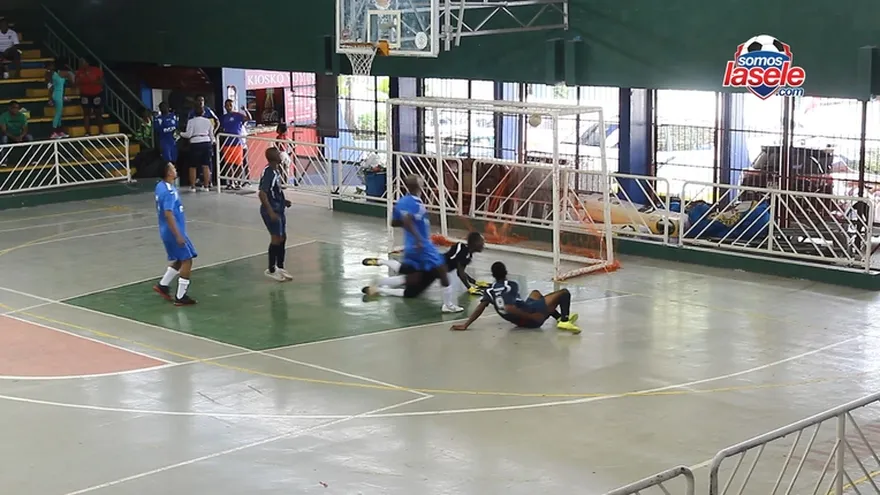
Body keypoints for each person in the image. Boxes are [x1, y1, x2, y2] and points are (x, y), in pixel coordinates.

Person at [361, 175, 453, 310]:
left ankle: (381, 279)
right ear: (419, 185)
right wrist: (418, 237)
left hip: (410, 245)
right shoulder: (414, 203)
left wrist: (414, 223)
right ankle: (448, 305)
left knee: (411, 276)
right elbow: (407, 220)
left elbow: (394, 222)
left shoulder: (402, 201)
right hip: (422, 245)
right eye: (421, 181)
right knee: (441, 270)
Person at [362, 231, 487, 313]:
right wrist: (469, 287)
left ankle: (378, 286)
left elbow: (461, 272)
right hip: (432, 265)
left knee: (409, 288)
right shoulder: (462, 249)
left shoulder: (467, 255)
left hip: (434, 271)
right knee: (405, 272)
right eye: (482, 242)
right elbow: (459, 270)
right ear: (475, 243)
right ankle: (448, 305)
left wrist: (474, 282)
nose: (483, 245)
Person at [451, 261, 581, 333]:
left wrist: (466, 324)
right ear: (506, 273)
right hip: (532, 316)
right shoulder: (511, 285)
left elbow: (480, 307)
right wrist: (533, 316)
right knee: (564, 293)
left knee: (535, 293)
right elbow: (510, 307)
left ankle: (558, 317)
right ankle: (564, 321)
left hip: (520, 320)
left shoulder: (490, 291)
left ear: (493, 275)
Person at [152, 163, 198, 306]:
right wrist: (178, 235)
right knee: (187, 260)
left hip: (169, 230)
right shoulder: (169, 192)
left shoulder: (160, 186)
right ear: (168, 173)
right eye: (172, 168)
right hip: (174, 231)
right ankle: (181, 296)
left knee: (180, 259)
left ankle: (163, 285)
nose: (175, 169)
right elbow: (168, 213)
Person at [259, 147, 293, 281]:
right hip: (271, 210)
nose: (281, 155)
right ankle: (271, 269)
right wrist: (270, 211)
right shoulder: (269, 173)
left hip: (279, 208)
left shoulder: (276, 171)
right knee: (276, 238)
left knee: (283, 237)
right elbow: (262, 193)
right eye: (278, 154)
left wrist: (284, 201)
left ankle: (280, 266)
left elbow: (275, 190)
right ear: (273, 157)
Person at [179, 105, 214, 192]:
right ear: (203, 112)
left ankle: (193, 187)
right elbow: (211, 135)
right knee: (206, 165)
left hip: (195, 143)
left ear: (194, 112)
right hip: (206, 142)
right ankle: (206, 186)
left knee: (193, 166)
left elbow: (188, 134)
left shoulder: (191, 121)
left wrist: (180, 133)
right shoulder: (208, 121)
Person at [218, 99, 251, 189]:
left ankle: (238, 182)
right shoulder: (223, 117)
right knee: (228, 164)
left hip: (237, 143)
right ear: (224, 106)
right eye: (227, 105)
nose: (229, 107)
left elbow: (249, 118)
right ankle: (230, 182)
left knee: (238, 164)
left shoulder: (238, 115)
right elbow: (220, 127)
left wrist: (245, 110)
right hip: (227, 143)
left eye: (230, 105)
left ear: (233, 106)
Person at [45, 60, 74, 139]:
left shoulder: (58, 73)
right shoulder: (53, 74)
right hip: (57, 95)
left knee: (60, 114)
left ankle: (59, 131)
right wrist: (50, 98)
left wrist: (63, 96)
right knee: (58, 114)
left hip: (59, 95)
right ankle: (53, 132)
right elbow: (51, 87)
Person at [75, 58, 104, 135]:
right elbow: (76, 82)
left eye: (83, 62)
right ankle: (87, 132)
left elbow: (101, 81)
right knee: (86, 113)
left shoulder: (96, 70)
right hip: (85, 94)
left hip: (96, 93)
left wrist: (91, 79)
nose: (81, 63)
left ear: (87, 63)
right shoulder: (79, 72)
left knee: (98, 113)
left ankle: (101, 131)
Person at [154, 102, 179, 167]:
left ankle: (174, 172)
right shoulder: (158, 119)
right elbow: (156, 133)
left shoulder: (174, 116)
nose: (164, 108)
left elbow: (177, 129)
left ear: (168, 107)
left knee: (174, 160)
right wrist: (158, 146)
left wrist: (178, 140)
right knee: (167, 162)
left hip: (173, 142)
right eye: (162, 107)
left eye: (165, 106)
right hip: (164, 143)